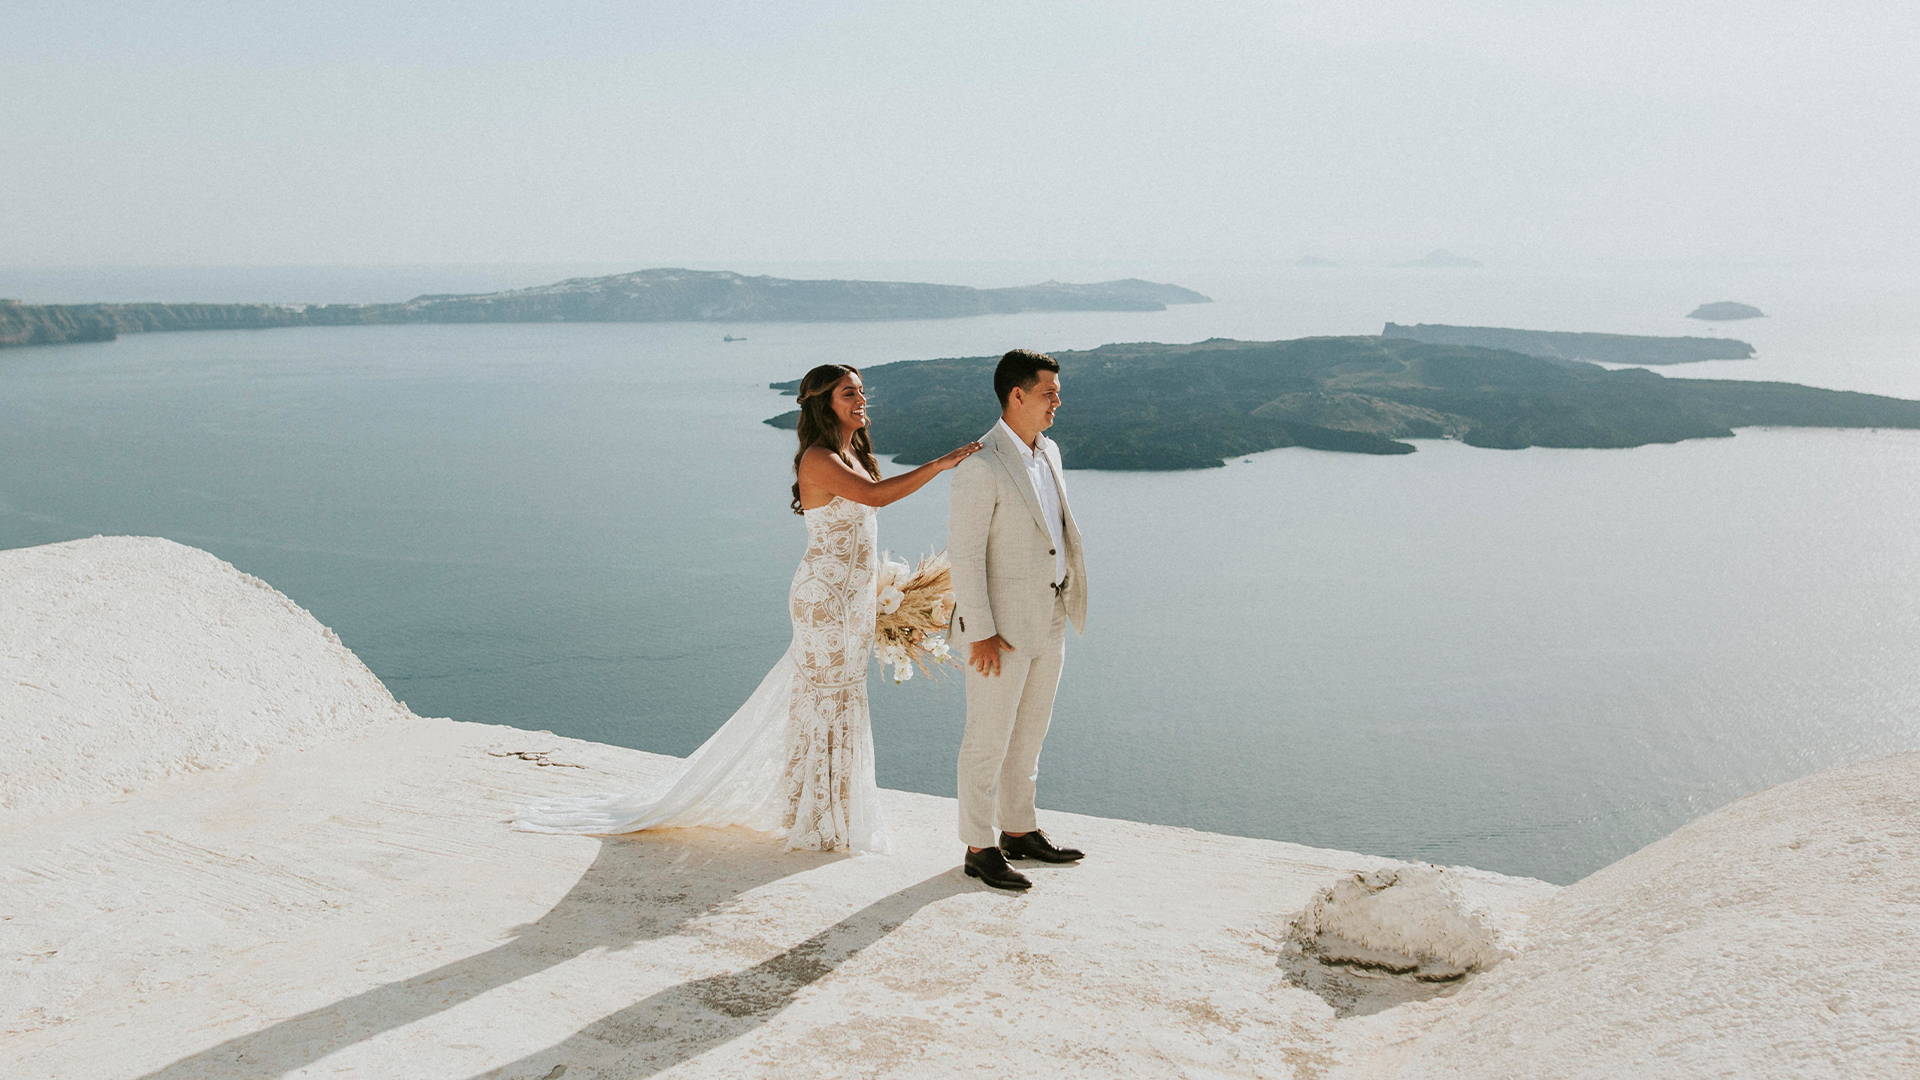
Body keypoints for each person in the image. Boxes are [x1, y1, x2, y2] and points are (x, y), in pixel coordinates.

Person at [513, 364, 980, 853]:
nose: (861, 399)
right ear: (825, 404)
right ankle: (818, 817)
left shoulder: (851, 452)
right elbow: (875, 498)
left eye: (862, 390)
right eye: (849, 393)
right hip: (826, 601)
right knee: (826, 699)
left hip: (852, 599)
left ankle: (826, 813)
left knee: (838, 699)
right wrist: (942, 463)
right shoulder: (819, 458)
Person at [946, 348, 1089, 889]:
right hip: (998, 632)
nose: (1058, 401)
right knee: (987, 738)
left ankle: (1019, 830)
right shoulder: (980, 465)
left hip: (1049, 614)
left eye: (1058, 392)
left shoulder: (1048, 451)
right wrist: (981, 632)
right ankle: (979, 847)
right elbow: (965, 555)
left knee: (1029, 732)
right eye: (1049, 392)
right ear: (1017, 395)